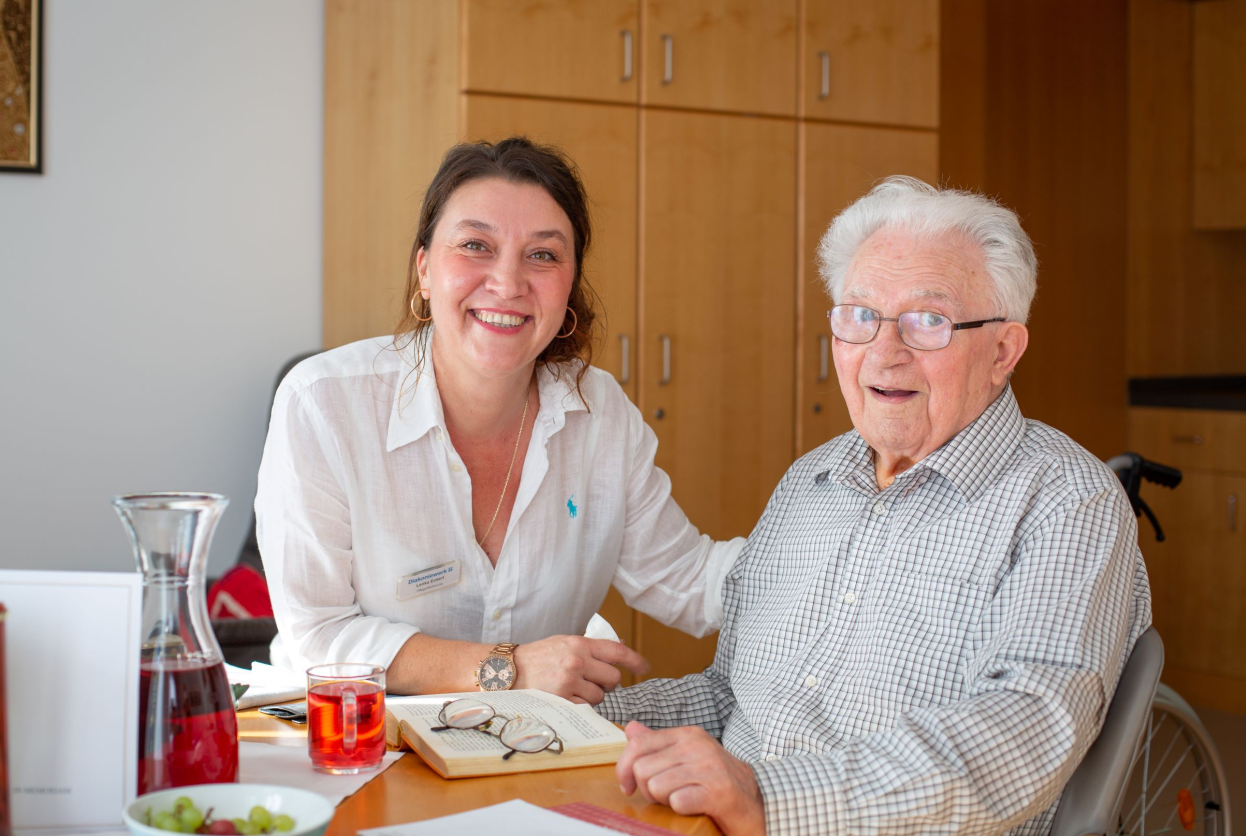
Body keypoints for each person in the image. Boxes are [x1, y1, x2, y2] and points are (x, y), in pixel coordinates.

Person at [601, 177, 1150, 836]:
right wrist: (573, 723)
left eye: (929, 321)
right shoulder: (809, 482)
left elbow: (1019, 736)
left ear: (1002, 350)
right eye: (860, 315)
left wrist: (765, 797)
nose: (883, 354)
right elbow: (731, 698)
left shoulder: (1065, 501)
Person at [255, 137, 744, 703]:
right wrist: (511, 668)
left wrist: (845, 547)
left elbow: (689, 581)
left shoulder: (600, 412)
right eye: (475, 245)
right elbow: (319, 635)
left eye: (543, 254)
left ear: (570, 285)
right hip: (354, 744)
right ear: (424, 270)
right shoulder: (322, 403)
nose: (508, 283)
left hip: (524, 749)